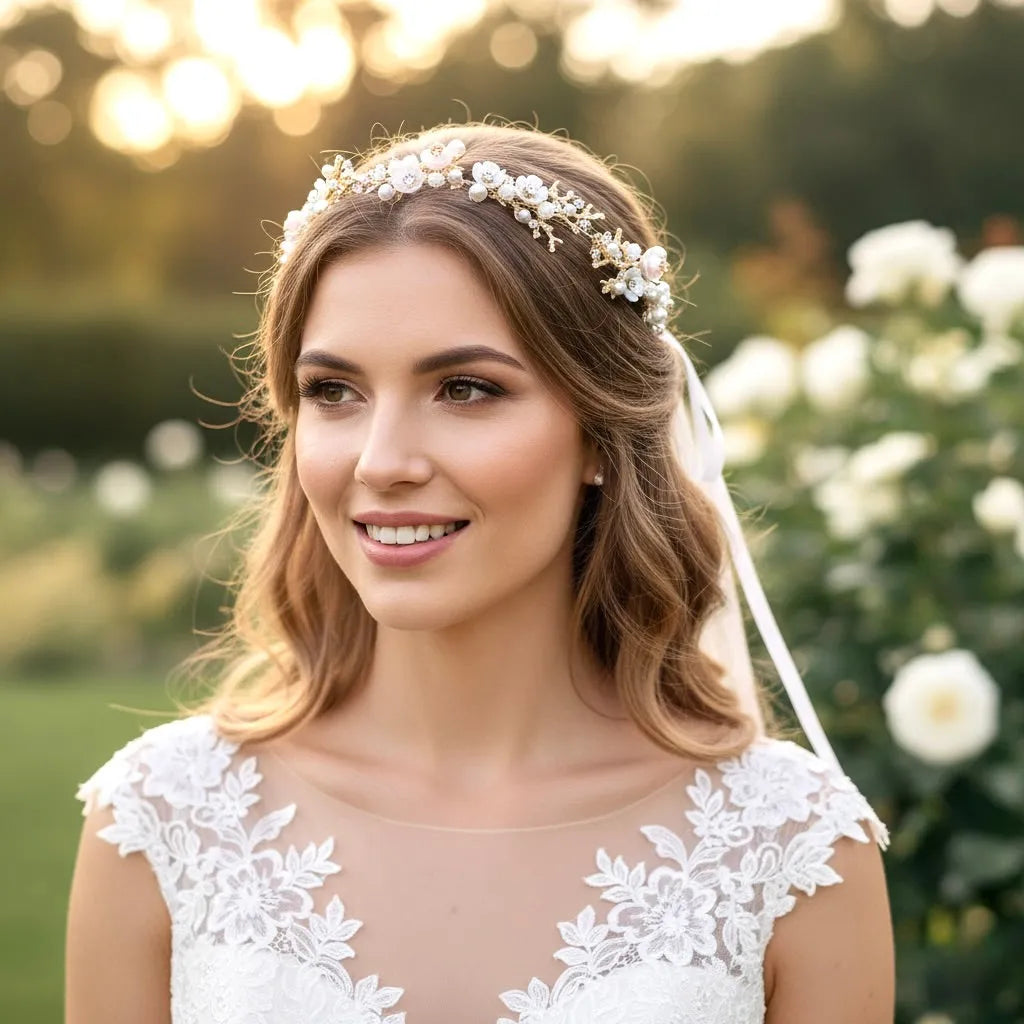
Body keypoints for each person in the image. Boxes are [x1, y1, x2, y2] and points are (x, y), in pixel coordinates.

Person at [65, 121, 894, 1024]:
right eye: (334, 392)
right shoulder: (163, 821)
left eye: (465, 389)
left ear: (599, 433)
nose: (381, 462)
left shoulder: (792, 851)